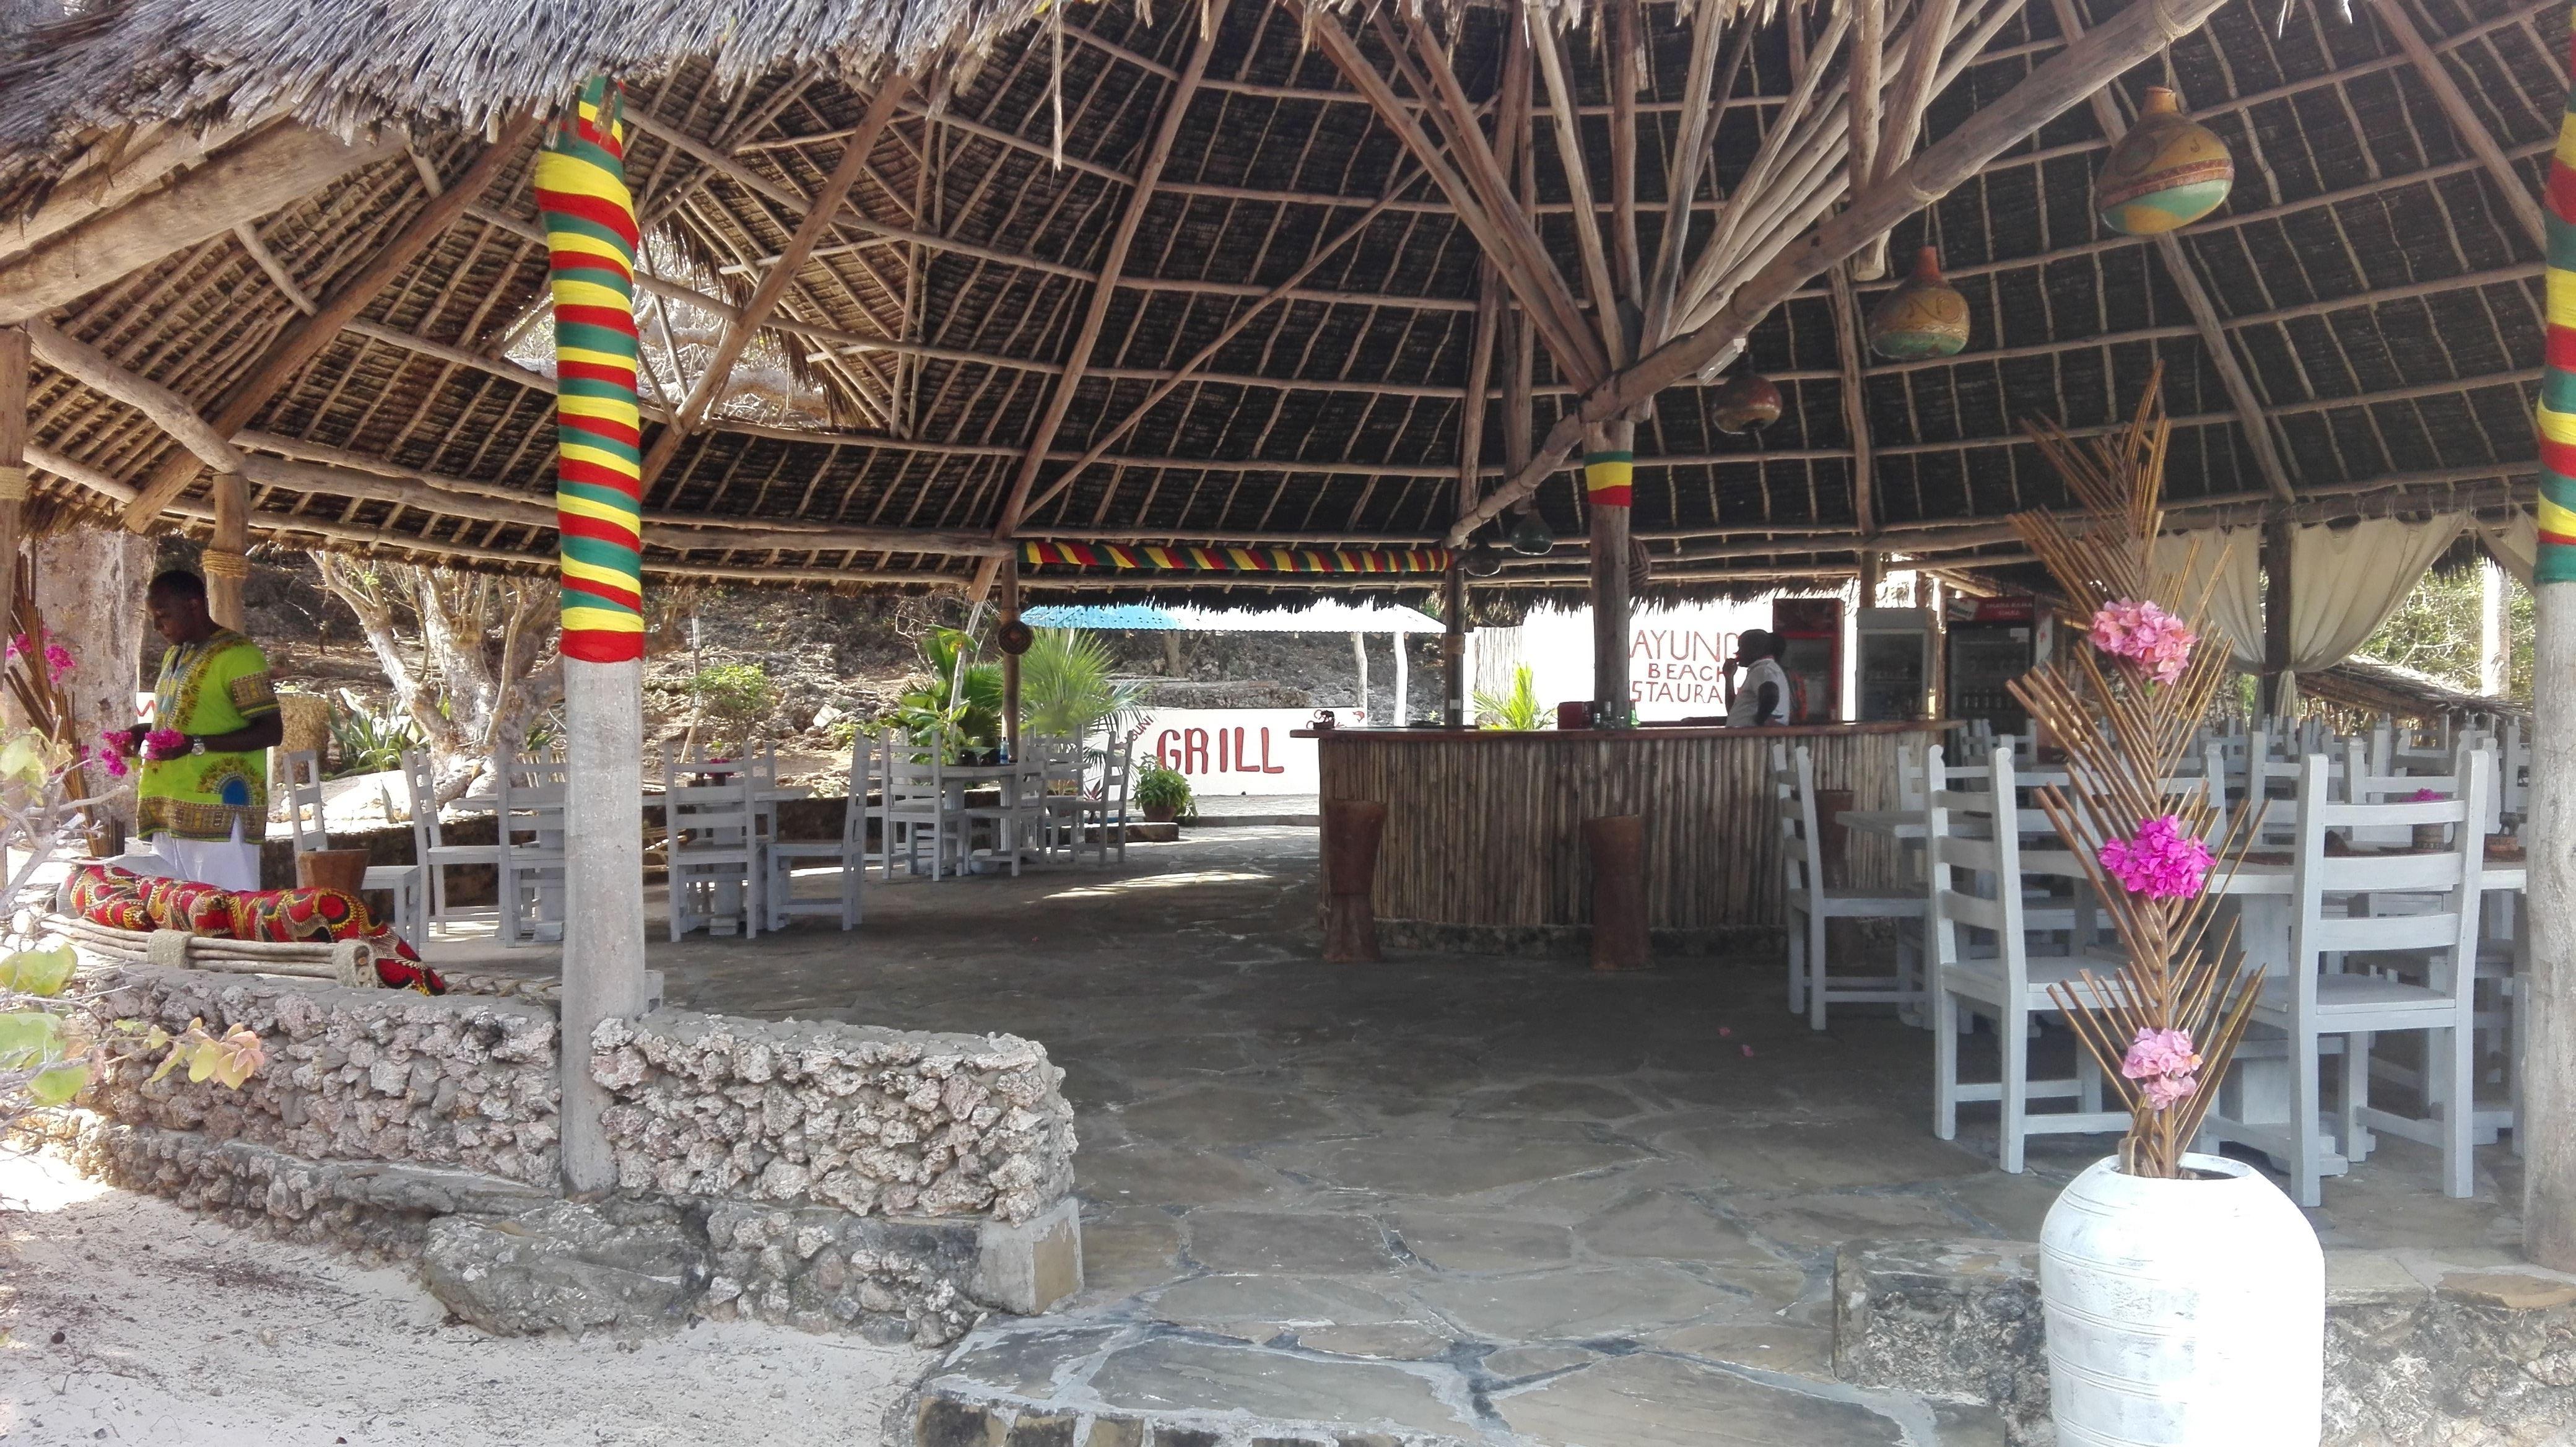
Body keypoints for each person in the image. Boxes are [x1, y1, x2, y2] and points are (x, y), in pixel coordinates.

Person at [115, 569, 282, 891]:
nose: (157, 627)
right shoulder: (175, 655)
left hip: (220, 811)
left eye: (163, 615)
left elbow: (270, 731)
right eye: (153, 618)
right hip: (170, 807)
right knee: (176, 909)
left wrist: (195, 744)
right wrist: (142, 732)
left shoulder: (239, 655)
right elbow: (186, 721)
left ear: (193, 605)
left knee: (226, 908)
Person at [1724, 628, 1793, 727]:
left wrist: (1761, 720)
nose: (1738, 653)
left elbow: (1770, 694)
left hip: (1753, 735)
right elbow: (1734, 710)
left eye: (1742, 648)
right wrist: (1729, 677)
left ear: (1755, 649)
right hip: (1746, 734)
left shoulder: (1763, 669)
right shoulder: (1762, 669)